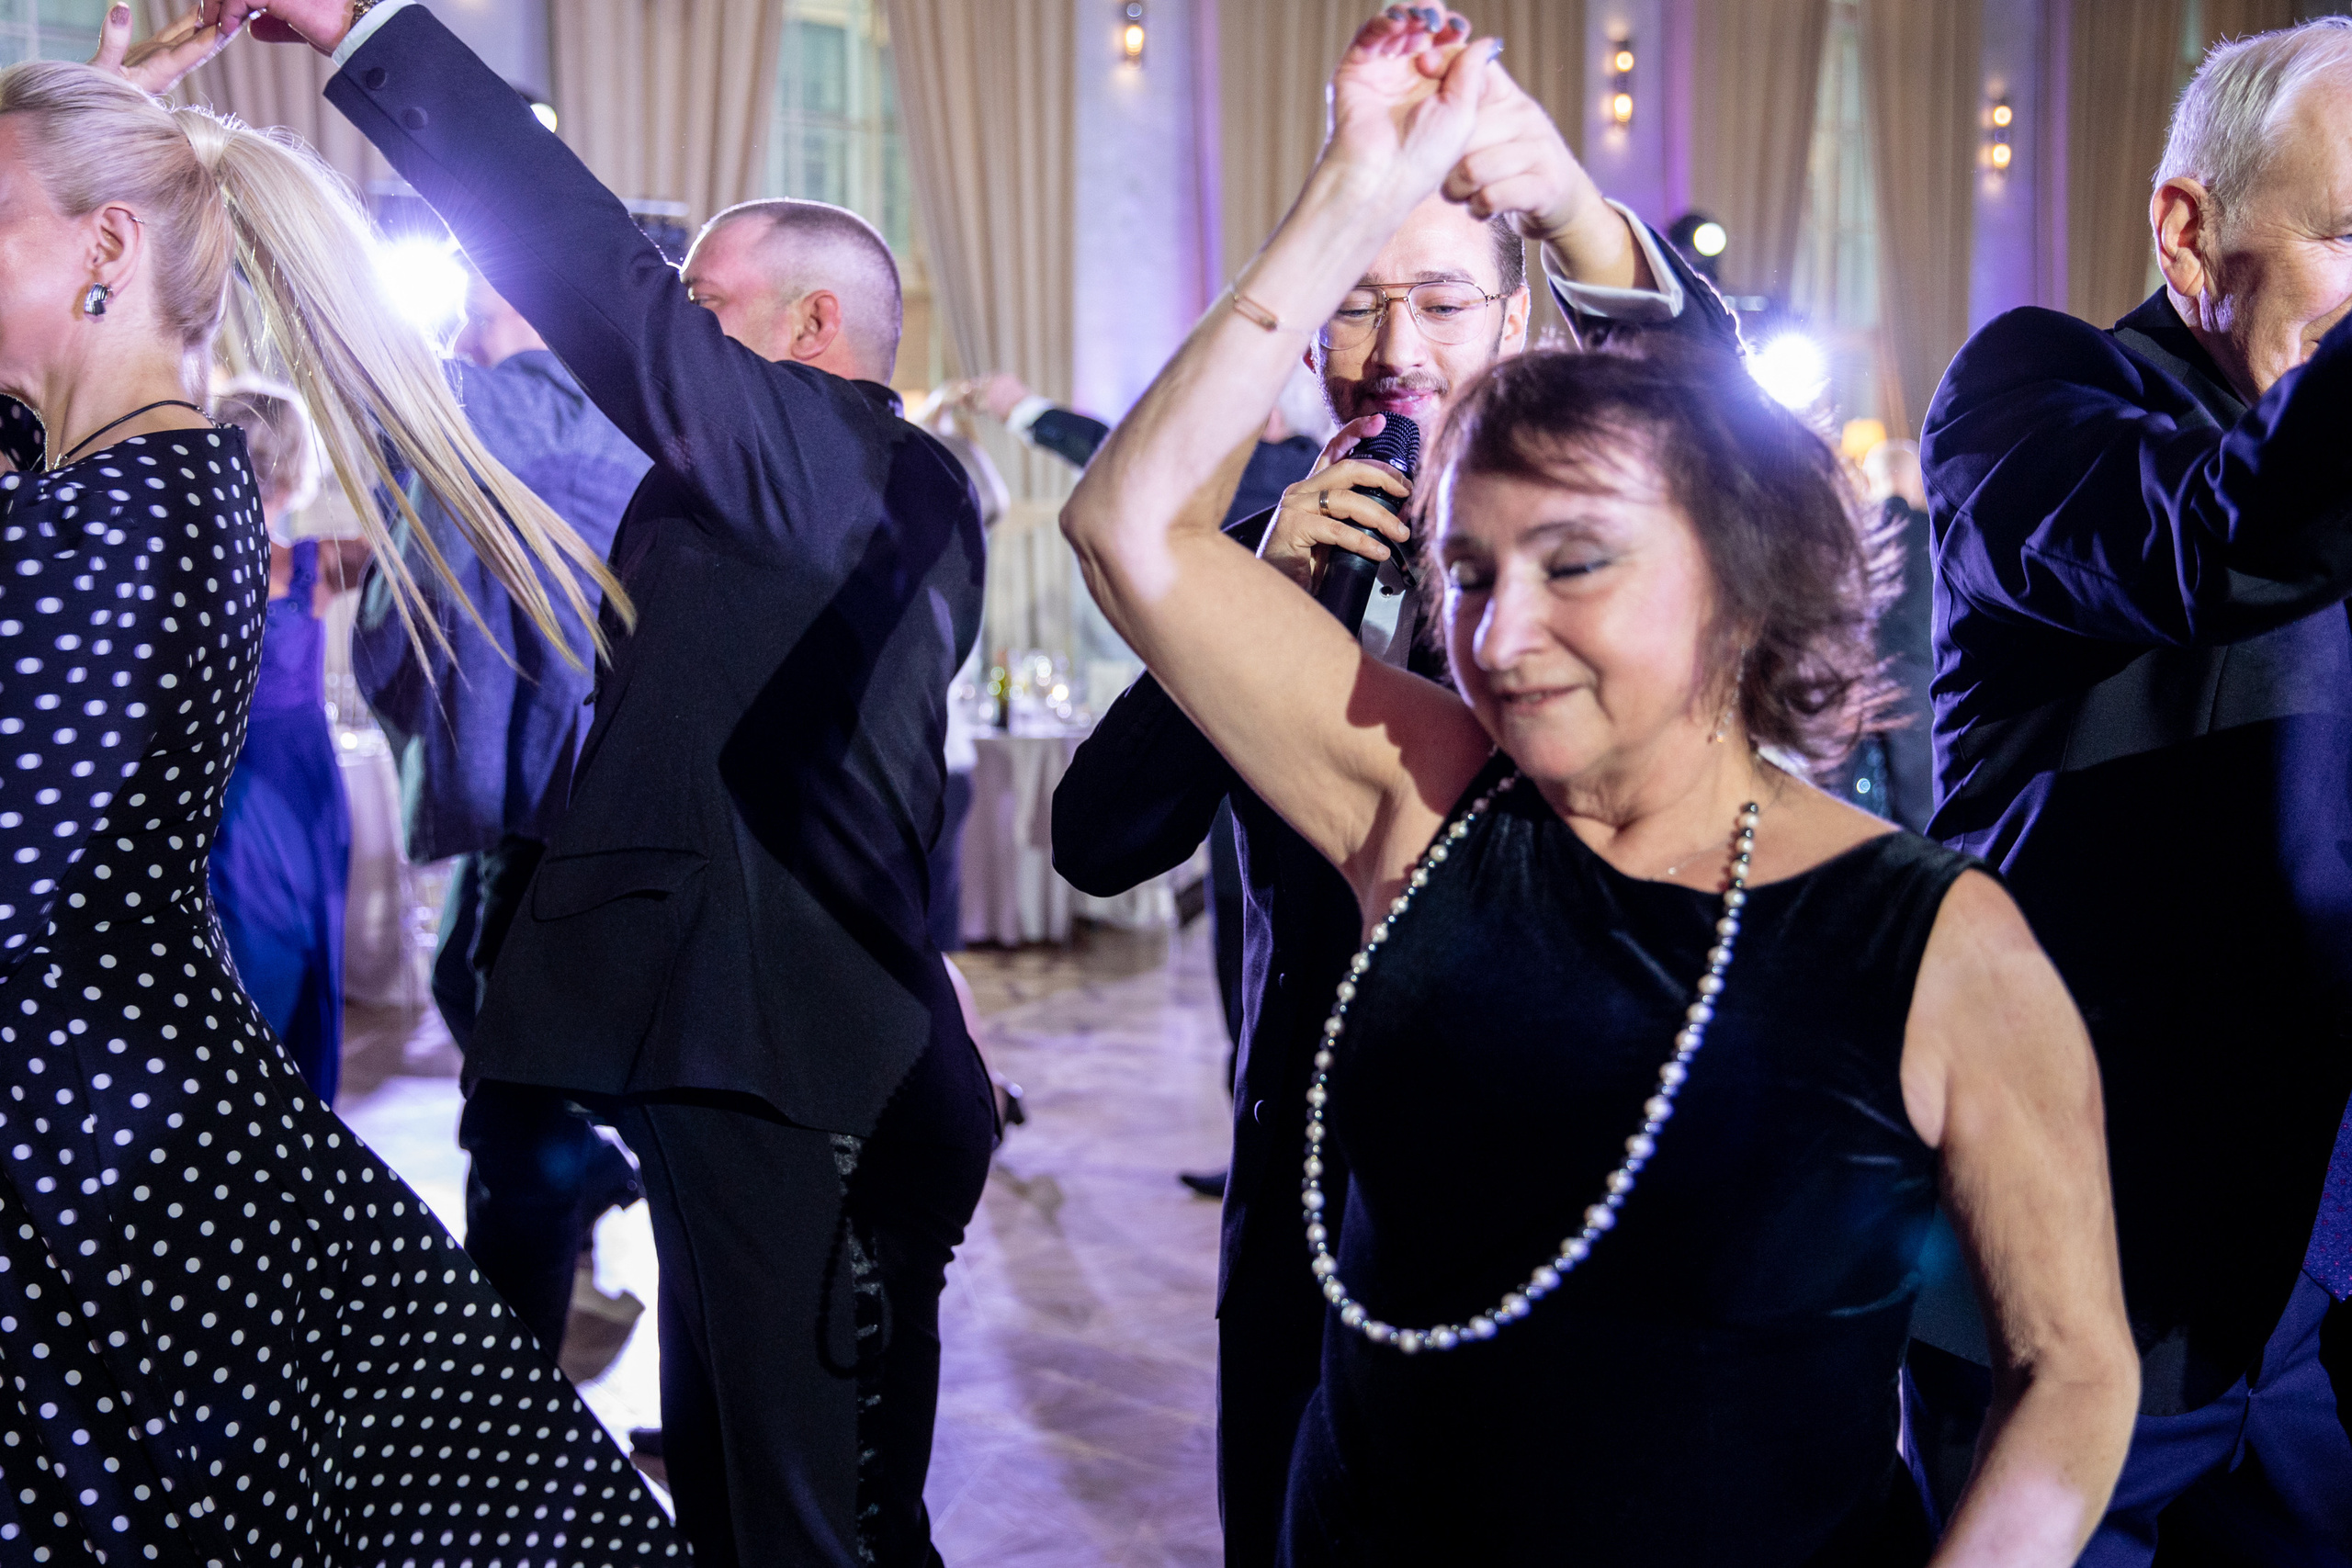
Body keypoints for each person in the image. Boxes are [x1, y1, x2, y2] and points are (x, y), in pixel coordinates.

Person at [1059, 11, 2139, 1563]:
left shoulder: (1936, 938)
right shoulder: (1424, 807)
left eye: (1573, 564)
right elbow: (1127, 543)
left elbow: (2072, 1369)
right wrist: (1353, 184)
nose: (1501, 637)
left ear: (1734, 580)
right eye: (1466, 574)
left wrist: (1570, 204)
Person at [226, 4, 995, 1562]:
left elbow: (596, 272)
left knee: (808, 1522)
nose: (671, 344)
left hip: (790, 1061)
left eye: (705, 311)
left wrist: (368, 30)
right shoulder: (849, 483)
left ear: (811, 330)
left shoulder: (827, 456)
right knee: (740, 1483)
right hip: (765, 1049)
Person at [0, 11, 682, 1562]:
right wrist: (114, 123)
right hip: (119, 1120)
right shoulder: (130, 480)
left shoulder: (115, 514)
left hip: (91, 1168)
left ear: (104, 246)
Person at [1049, 32, 1735, 1563]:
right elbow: (1099, 840)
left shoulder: (1608, 540)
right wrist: (1259, 586)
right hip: (1304, 1195)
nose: (1396, 346)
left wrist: (1577, 211)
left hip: (1544, 1181)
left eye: (1439, 300)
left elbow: (1715, 410)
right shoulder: (1257, 541)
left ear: (1515, 321)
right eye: (1357, 304)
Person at [1916, 17, 2352, 1560]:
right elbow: (2221, 533)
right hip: (2069, 1296)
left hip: (2316, 1311)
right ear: (2189, 230)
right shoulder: (2035, 394)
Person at [350, 268, 650, 1360]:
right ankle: (589, 1177)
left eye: (476, 307)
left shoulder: (489, 407)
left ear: (506, 311)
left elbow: (404, 606)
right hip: (592, 775)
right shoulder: (631, 415)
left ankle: (511, 1368)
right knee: (464, 981)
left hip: (541, 779)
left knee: (519, 1087)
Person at [205, 378, 367, 1100]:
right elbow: (417, 543)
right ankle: (294, 1128)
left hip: (240, 784)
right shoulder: (314, 564)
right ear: (297, 465)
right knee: (292, 964)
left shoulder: (189, 568)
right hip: (292, 785)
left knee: (247, 966)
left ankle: (247, 1128)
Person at [1821, 439, 1931, 831]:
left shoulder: (1845, 534)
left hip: (1847, 679)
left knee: (1837, 802)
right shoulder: (1934, 532)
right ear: (1911, 479)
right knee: (1919, 808)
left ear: (1871, 481)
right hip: (1916, 678)